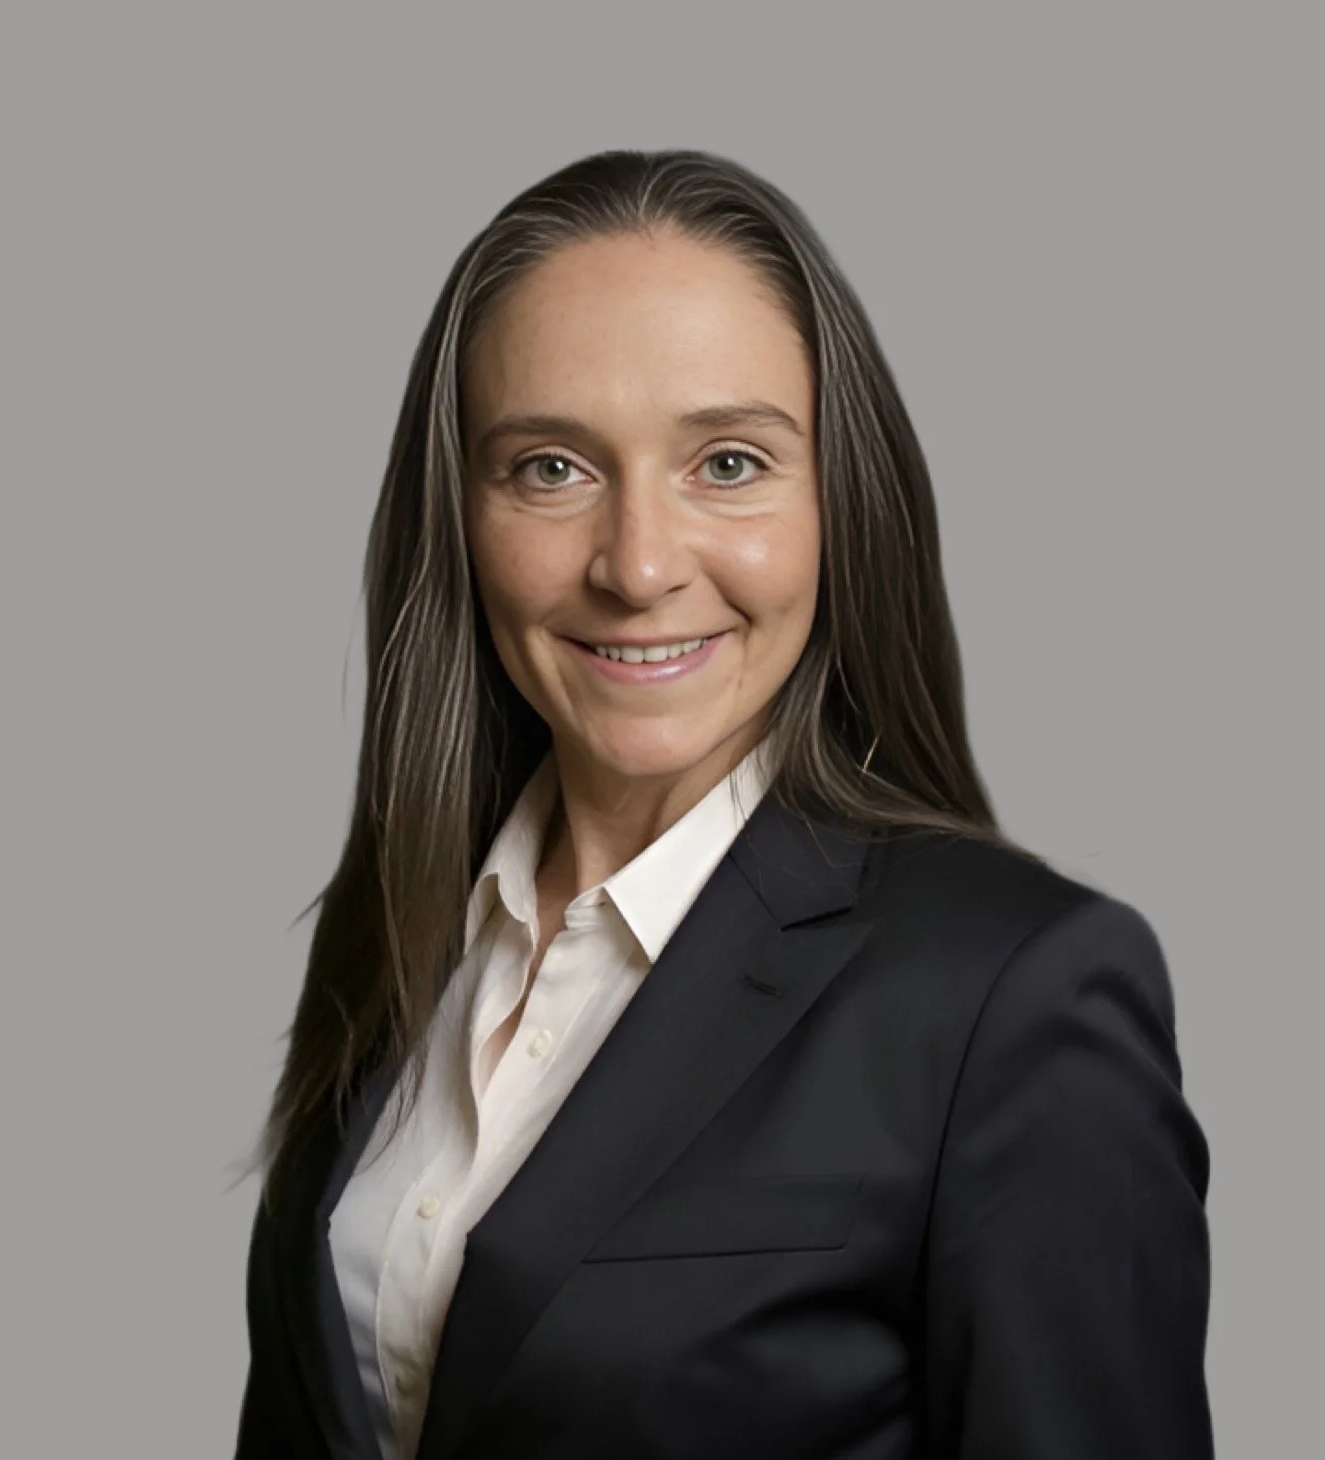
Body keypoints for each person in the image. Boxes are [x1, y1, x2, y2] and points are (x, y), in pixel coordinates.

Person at [233, 149, 1213, 1460]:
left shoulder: (1009, 995)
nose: (637, 565)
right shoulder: (409, 937)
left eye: (730, 462)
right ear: (458, 516)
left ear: (838, 506)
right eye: (549, 469)